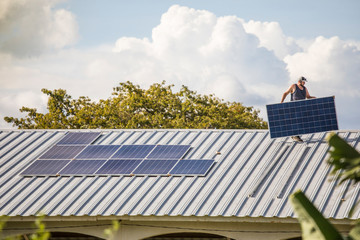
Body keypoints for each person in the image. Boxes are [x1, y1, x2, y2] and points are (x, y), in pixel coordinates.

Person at [281, 76, 316, 142]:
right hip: (294, 107)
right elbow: (285, 93)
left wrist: (314, 98)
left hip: (301, 108)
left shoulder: (305, 88)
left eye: (304, 82)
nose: (304, 83)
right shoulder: (294, 86)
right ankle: (294, 135)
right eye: (303, 82)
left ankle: (296, 135)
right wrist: (281, 102)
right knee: (295, 121)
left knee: (301, 121)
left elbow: (308, 97)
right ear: (299, 81)